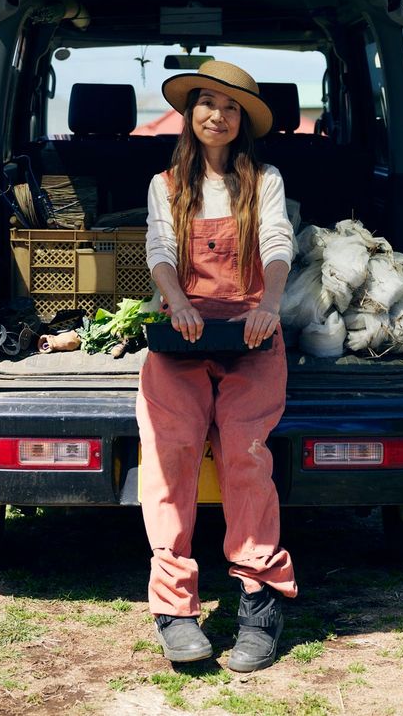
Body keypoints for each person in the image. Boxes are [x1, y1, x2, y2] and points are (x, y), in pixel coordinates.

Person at [137, 59, 297, 672]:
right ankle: (175, 608)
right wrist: (175, 300)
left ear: (243, 121)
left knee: (246, 459)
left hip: (251, 336)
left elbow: (278, 243)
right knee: (169, 461)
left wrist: (270, 306)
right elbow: (159, 249)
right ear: (189, 113)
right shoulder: (165, 183)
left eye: (230, 107)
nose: (217, 114)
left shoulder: (265, 180)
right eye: (206, 102)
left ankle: (259, 600)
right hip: (182, 337)